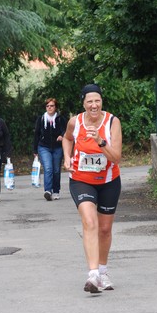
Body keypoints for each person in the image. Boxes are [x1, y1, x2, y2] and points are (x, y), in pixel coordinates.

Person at [62, 84, 122, 293]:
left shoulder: (112, 122)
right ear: (83, 103)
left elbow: (116, 157)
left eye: (97, 100)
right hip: (81, 179)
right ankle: (93, 274)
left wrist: (100, 141)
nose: (94, 105)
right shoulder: (75, 122)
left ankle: (103, 273)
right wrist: (68, 157)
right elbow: (67, 139)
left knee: (105, 229)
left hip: (108, 181)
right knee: (89, 221)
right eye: (90, 101)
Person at [33, 97, 66, 200]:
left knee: (56, 170)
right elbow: (36, 134)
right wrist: (35, 150)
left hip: (57, 147)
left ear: (55, 107)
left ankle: (56, 191)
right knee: (48, 168)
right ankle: (48, 191)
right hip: (44, 147)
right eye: (47, 106)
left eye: (52, 106)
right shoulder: (41, 119)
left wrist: (62, 135)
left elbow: (66, 131)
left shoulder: (61, 119)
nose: (49, 108)